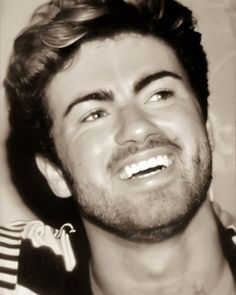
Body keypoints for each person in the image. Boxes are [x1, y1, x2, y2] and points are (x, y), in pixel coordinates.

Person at [1, 0, 235, 294]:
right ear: (55, 174)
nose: (137, 127)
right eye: (94, 114)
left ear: (207, 129)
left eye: (160, 94)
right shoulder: (13, 274)